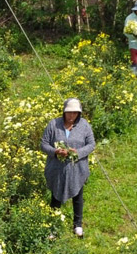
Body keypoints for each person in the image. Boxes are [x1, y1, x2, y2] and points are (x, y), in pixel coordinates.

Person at [40, 98, 96, 237]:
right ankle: (52, 225)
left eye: (75, 113)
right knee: (56, 196)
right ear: (64, 112)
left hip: (77, 168)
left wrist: (78, 152)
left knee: (78, 195)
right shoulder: (54, 124)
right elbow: (44, 144)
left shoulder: (84, 126)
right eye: (69, 113)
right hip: (57, 168)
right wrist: (55, 152)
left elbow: (91, 144)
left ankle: (78, 224)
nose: (72, 116)